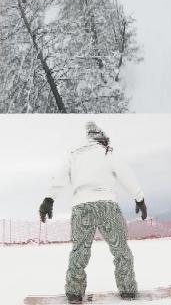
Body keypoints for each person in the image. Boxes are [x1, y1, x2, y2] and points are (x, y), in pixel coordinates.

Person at [39, 122, 147, 304]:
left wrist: (49, 199)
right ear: (99, 135)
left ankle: (74, 292)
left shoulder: (73, 154)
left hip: (82, 207)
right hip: (107, 205)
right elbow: (125, 174)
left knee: (80, 251)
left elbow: (60, 177)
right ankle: (128, 290)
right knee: (120, 249)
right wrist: (139, 199)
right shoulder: (106, 152)